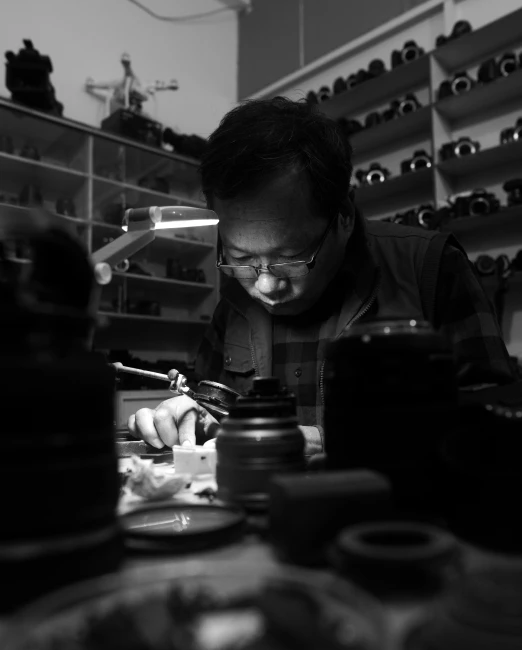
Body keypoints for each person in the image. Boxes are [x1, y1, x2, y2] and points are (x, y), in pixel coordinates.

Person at [128, 97, 517, 454]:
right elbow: (211, 403)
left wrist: (325, 439)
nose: (264, 284)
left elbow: (491, 426)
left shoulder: (429, 269)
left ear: (344, 215)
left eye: (290, 257)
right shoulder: (235, 300)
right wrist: (189, 417)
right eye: (241, 257)